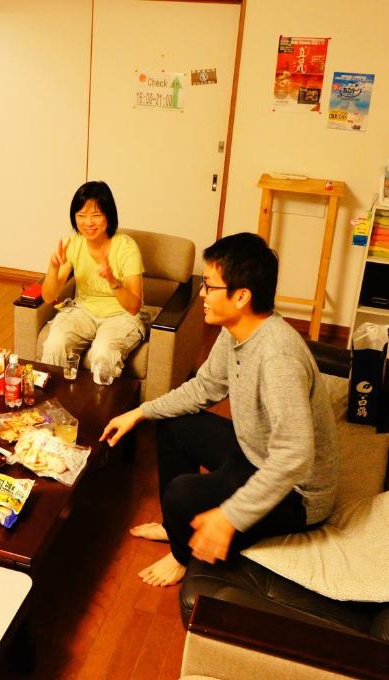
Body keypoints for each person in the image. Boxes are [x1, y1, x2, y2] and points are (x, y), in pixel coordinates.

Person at [101, 233, 339, 587]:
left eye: (209, 287)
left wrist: (230, 517)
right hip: (255, 451)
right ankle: (174, 528)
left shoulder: (278, 358)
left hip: (296, 492)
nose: (202, 295)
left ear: (241, 296)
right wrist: (140, 412)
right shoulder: (236, 330)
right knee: (171, 423)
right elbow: (205, 387)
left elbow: (295, 455)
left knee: (182, 494)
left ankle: (182, 555)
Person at [39, 180, 146, 378]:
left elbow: (133, 307)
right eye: (81, 216)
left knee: (103, 353)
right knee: (56, 343)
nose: (88, 223)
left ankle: (100, 407)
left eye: (96, 215)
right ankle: (53, 403)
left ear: (109, 216)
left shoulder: (126, 247)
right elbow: (48, 296)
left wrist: (112, 280)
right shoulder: (73, 243)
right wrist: (53, 268)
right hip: (84, 311)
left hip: (121, 316)